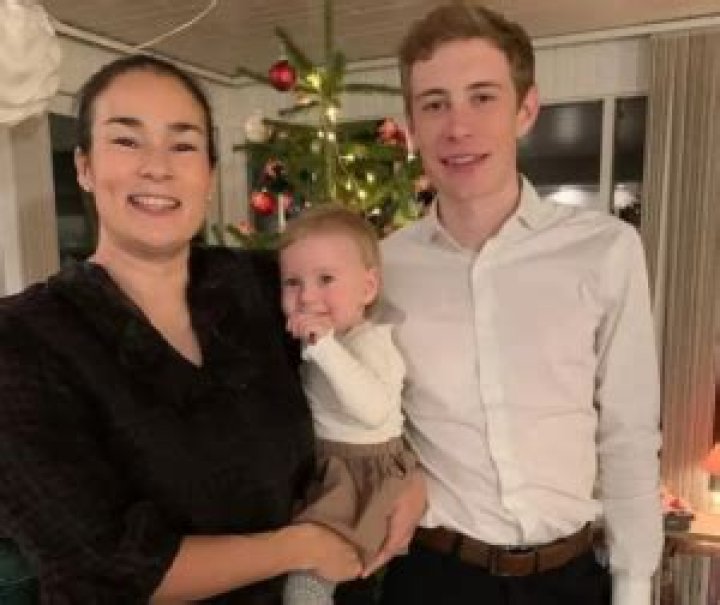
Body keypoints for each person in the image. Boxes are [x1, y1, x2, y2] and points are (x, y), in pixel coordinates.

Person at [0, 54, 363, 603]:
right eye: (127, 140)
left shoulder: (265, 287)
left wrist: (404, 482)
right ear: (85, 167)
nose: (157, 167)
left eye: (183, 144)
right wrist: (298, 547)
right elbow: (102, 567)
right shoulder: (24, 339)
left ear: (209, 176)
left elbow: (362, 388)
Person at [377, 4, 662, 605]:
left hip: (570, 580)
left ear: (526, 110)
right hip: (434, 581)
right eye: (434, 104)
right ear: (412, 126)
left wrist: (634, 586)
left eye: (482, 97)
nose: (458, 127)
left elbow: (629, 432)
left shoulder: (606, 249)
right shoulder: (382, 268)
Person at [278, 206, 417, 605]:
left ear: (368, 288)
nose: (307, 296)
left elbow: (372, 409)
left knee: (310, 576)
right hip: (329, 461)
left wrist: (324, 349)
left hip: (362, 472)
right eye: (292, 282)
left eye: (326, 279)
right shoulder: (327, 339)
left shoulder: (371, 343)